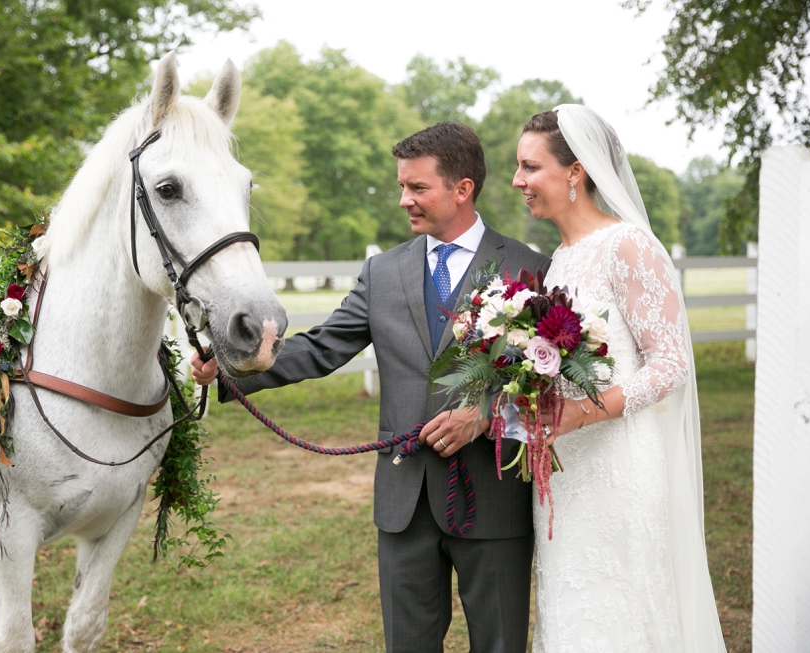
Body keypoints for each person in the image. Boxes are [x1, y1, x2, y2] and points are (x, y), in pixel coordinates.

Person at [192, 122, 550, 653]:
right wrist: (234, 367)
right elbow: (322, 347)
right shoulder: (383, 272)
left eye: (418, 187)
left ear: (462, 188)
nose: (404, 199)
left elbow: (550, 382)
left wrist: (487, 413)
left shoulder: (529, 269)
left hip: (494, 500)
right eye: (401, 186)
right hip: (404, 504)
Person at [512, 105, 726, 652]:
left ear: (575, 172)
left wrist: (582, 411)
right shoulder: (559, 259)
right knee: (571, 611)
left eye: (530, 167)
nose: (519, 181)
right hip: (563, 472)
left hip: (618, 467)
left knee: (622, 612)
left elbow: (671, 363)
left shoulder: (627, 245)